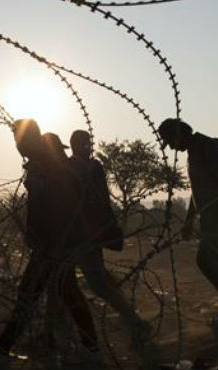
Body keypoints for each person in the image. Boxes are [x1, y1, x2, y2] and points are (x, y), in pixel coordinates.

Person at [0, 122, 101, 367]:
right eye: (16, 141)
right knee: (64, 293)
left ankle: (3, 347)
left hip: (54, 244)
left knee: (31, 293)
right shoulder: (41, 164)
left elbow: (63, 202)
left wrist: (53, 241)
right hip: (52, 243)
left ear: (31, 139)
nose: (18, 146)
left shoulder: (48, 166)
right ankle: (92, 347)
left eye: (20, 140)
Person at [158, 118, 218, 326]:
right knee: (217, 262)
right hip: (211, 219)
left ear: (178, 133)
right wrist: (190, 220)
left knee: (208, 261)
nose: (172, 147)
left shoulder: (209, 146)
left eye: (170, 141)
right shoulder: (193, 153)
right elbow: (197, 191)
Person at [68, 130, 153, 352]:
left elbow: (98, 201)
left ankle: (136, 323)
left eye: (87, 144)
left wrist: (101, 230)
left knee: (97, 285)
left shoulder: (88, 168)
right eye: (82, 144)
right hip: (77, 234)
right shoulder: (84, 167)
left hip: (84, 235)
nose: (86, 148)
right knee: (64, 285)